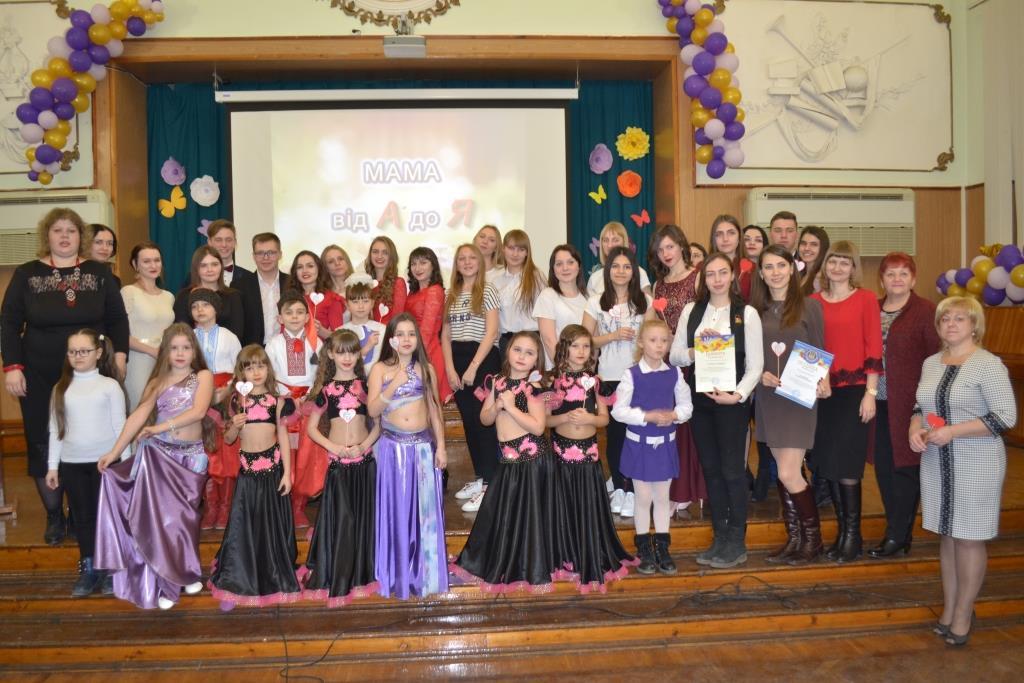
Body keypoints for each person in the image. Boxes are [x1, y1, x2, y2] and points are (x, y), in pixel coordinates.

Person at [2, 207, 129, 545]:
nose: (64, 236)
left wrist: (119, 356)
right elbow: (9, 323)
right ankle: (54, 515)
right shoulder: (26, 274)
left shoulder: (98, 273)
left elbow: (117, 318)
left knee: (90, 438)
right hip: (39, 373)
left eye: (71, 231)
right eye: (57, 230)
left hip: (93, 374)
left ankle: (83, 513)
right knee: (43, 439)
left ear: (80, 237)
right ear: (47, 235)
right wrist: (12, 367)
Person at [910, 297, 1016, 646]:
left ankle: (963, 614)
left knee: (969, 537)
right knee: (948, 534)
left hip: (977, 461)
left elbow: (1005, 417)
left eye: (959, 318)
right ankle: (950, 607)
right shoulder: (930, 363)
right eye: (945, 319)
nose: (951, 324)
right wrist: (915, 429)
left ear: (974, 326)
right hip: (937, 462)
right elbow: (920, 406)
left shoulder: (988, 365)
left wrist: (954, 431)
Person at [94, 323, 214, 610]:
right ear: (165, 352)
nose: (180, 353)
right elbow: (138, 416)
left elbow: (198, 411)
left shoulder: (203, 376)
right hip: (159, 457)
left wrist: (159, 427)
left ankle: (185, 571)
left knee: (185, 520)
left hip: (191, 458)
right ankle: (169, 582)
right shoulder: (157, 382)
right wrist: (114, 452)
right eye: (174, 348)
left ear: (194, 351)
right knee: (164, 523)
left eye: (186, 347)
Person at [671, 253, 764, 568]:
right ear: (703, 278)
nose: (717, 279)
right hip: (701, 402)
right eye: (710, 274)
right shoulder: (691, 311)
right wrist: (696, 350)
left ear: (732, 275)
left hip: (731, 404)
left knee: (732, 471)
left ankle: (737, 540)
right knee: (711, 469)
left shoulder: (746, 313)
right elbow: (675, 355)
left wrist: (737, 396)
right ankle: (720, 537)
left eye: (723, 272)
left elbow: (756, 365)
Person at [452, 331, 556, 593]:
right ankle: (499, 560)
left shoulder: (534, 388)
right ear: (507, 351)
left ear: (537, 359)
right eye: (517, 350)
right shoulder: (497, 382)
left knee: (529, 516)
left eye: (529, 353)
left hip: (531, 461)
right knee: (499, 513)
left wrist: (511, 407)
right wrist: (497, 407)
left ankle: (529, 566)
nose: (521, 356)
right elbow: (484, 419)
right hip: (507, 462)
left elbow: (538, 427)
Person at [751, 245, 828, 565]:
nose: (775, 272)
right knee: (784, 473)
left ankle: (814, 540)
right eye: (768, 267)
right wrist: (760, 376)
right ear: (761, 273)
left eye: (781, 265)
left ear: (792, 268)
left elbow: (820, 349)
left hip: (798, 398)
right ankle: (795, 539)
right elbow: (750, 358)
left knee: (787, 471)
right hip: (769, 399)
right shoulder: (755, 312)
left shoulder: (810, 307)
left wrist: (824, 380)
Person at [208, 345, 300, 609]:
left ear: (268, 369)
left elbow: (283, 438)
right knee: (243, 528)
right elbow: (228, 440)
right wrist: (235, 427)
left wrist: (287, 474)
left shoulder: (278, 402)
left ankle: (273, 574)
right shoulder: (237, 402)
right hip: (247, 476)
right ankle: (235, 583)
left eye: (260, 366)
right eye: (249, 367)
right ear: (241, 373)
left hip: (272, 474)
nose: (256, 372)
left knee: (270, 528)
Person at [547, 324, 635, 592]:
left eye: (586, 346)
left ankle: (590, 553)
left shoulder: (595, 382)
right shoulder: (554, 382)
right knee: (563, 508)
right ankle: (566, 554)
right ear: (564, 348)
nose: (581, 351)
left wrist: (589, 418)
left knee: (587, 507)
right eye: (575, 346)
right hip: (561, 455)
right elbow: (545, 421)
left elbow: (604, 419)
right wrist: (564, 417)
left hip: (588, 455)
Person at [811, 241, 883, 563]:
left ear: (854, 267)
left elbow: (874, 346)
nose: (837, 267)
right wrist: (817, 377)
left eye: (844, 262)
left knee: (849, 464)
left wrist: (871, 393)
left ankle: (853, 536)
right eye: (832, 261)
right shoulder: (813, 302)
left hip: (855, 391)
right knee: (829, 463)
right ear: (824, 266)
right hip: (823, 393)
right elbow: (809, 344)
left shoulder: (866, 299)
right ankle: (842, 534)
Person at [367, 314, 448, 599]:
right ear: (390, 338)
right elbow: (373, 410)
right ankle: (397, 573)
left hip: (423, 448)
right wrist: (394, 384)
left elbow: (434, 409)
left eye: (411, 334)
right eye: (400, 334)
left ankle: (426, 574)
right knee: (398, 513)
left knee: (424, 513)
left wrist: (441, 447)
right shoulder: (380, 369)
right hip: (393, 450)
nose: (406, 339)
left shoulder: (426, 369)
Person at [868, 253, 940, 559]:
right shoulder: (871, 309)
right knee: (884, 469)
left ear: (913, 279)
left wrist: (926, 409)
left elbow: (937, 359)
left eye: (903, 274)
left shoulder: (926, 311)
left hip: (911, 406)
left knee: (906, 469)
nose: (896, 279)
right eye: (890, 274)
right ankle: (896, 530)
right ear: (881, 279)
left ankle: (899, 535)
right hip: (876, 403)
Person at [302, 330, 380, 606]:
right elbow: (312, 429)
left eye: (352, 352)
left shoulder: (366, 387)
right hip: (338, 465)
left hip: (364, 463)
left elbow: (378, 425)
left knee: (363, 519)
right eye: (341, 352)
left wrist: (364, 445)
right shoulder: (325, 390)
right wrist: (333, 447)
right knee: (342, 520)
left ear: (359, 355)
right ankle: (339, 571)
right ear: (331, 355)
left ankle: (362, 572)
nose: (347, 357)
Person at [45, 330, 125, 597]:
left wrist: (125, 464)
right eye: (72, 352)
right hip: (72, 464)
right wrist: (53, 466)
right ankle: (89, 568)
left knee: (108, 517)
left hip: (106, 464)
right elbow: (55, 429)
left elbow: (121, 428)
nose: (78, 356)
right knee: (83, 519)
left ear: (98, 353)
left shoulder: (109, 386)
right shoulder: (60, 389)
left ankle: (111, 568)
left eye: (84, 351)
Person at [612, 319, 693, 575]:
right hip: (640, 447)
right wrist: (647, 416)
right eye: (653, 340)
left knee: (662, 498)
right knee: (643, 498)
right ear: (641, 343)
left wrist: (675, 415)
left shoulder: (675, 373)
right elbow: (618, 411)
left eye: (664, 341)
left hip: (665, 446)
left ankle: (662, 547)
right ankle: (643, 548)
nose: (659, 345)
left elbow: (687, 406)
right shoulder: (631, 374)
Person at [583, 246, 655, 519]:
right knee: (614, 437)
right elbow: (586, 340)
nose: (621, 271)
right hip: (609, 377)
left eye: (627, 267)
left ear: (634, 271)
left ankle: (634, 490)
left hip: (637, 377)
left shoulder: (644, 302)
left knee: (636, 436)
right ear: (607, 270)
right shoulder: (595, 302)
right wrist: (612, 336)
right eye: (615, 266)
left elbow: (653, 338)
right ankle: (620, 487)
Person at [647, 224, 703, 519]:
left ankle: (685, 492)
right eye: (660, 249)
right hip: (664, 363)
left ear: (681, 245)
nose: (666, 253)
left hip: (691, 362)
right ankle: (670, 491)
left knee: (687, 429)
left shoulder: (698, 277)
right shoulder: (658, 285)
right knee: (667, 429)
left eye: (670, 246)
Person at [442, 243, 501, 513]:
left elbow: (491, 332)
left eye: (471, 258)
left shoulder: (487, 290)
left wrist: (474, 367)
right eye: (461, 258)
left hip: (482, 358)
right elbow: (445, 336)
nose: (466, 262)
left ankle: (491, 483)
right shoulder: (450, 294)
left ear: (480, 262)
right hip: (458, 358)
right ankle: (481, 477)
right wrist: (450, 368)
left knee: (484, 421)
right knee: (468, 422)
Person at [266, 294, 323, 529]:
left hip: (308, 405)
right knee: (288, 451)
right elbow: (270, 374)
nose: (295, 317)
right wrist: (286, 396)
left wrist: (310, 396)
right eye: (289, 313)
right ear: (280, 318)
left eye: (300, 312)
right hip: (286, 405)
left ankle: (299, 505)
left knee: (305, 454)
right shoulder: (273, 344)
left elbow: (321, 374)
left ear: (308, 316)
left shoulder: (316, 343)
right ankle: (286, 503)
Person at [190, 288, 242, 530]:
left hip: (225, 397)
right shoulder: (189, 337)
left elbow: (239, 369)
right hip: (198, 398)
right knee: (205, 452)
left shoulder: (229, 337)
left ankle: (225, 507)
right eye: (195, 306)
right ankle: (210, 507)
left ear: (216, 309)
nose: (200, 310)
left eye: (205, 305)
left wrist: (227, 390)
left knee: (226, 453)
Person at [121, 242, 174, 410]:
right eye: (146, 261)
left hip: (166, 361)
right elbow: (121, 334)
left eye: (157, 260)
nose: (153, 265)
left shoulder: (168, 296)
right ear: (135, 264)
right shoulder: (128, 292)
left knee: (164, 411)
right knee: (140, 409)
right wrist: (152, 351)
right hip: (139, 361)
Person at [406, 246, 453, 404]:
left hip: (427, 351)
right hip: (413, 349)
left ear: (433, 265)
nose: (417, 268)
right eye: (413, 264)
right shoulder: (412, 293)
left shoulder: (434, 290)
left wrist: (416, 356)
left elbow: (426, 330)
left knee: (429, 404)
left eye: (423, 263)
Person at [491, 229, 546, 356]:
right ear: (503, 249)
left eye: (521, 249)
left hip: (531, 340)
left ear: (527, 252)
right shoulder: (496, 282)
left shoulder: (537, 277)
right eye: (511, 248)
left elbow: (545, 313)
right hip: (506, 342)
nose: (515, 254)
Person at [173, 246, 245, 340]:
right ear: (196, 269)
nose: (210, 269)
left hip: (226, 347)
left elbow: (237, 333)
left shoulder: (233, 296)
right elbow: (180, 331)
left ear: (221, 266)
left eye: (214, 264)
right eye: (203, 265)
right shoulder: (184, 296)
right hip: (192, 347)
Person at [534, 244, 588, 368]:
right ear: (553, 269)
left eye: (570, 262)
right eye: (559, 264)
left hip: (583, 369)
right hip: (557, 369)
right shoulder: (548, 295)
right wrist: (564, 368)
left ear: (579, 266)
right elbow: (549, 340)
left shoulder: (587, 298)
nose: (565, 268)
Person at [238, 233, 288, 346]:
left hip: (285, 350)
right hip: (253, 352)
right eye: (260, 253)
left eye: (271, 253)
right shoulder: (240, 286)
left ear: (280, 254)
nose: (266, 258)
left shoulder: (292, 283)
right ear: (253, 256)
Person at [285, 250, 345, 344]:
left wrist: (321, 330)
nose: (305, 270)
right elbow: (283, 332)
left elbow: (340, 338)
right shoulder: (288, 298)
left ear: (319, 269)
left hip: (321, 351)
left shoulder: (332, 299)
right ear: (295, 272)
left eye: (310, 266)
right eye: (300, 267)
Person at [586, 221, 652, 297]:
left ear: (624, 242)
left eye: (615, 240)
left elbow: (648, 303)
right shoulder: (594, 278)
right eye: (606, 240)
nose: (610, 245)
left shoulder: (639, 273)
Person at [341, 276, 386, 375]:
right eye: (355, 302)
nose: (361, 306)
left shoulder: (382, 330)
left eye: (365, 301)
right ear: (347, 304)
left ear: (372, 303)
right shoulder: (340, 332)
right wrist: (368, 346)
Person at [708, 214, 755, 301]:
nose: (725, 239)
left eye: (731, 233)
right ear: (713, 239)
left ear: (739, 237)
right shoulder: (703, 267)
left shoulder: (753, 268)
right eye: (719, 234)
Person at [365, 236, 406, 325]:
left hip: (388, 332)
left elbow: (397, 319)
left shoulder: (398, 283)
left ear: (391, 257)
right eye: (375, 252)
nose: (379, 256)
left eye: (385, 253)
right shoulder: (365, 284)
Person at [204, 219, 254, 289]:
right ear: (209, 242)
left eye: (228, 240)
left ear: (235, 242)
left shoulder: (250, 278)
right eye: (218, 240)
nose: (224, 245)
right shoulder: (196, 276)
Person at [798, 226, 830, 296]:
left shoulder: (821, 278)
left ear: (823, 248)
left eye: (814, 244)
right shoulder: (799, 275)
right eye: (803, 243)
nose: (807, 248)